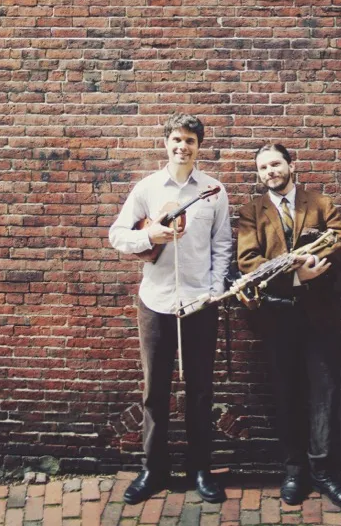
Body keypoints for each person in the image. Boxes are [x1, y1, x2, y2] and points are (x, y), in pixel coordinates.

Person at [109, 113, 232, 505]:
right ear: (166, 142)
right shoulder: (146, 188)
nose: (182, 147)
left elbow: (223, 245)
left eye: (190, 141)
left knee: (199, 390)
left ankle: (200, 469)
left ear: (199, 146)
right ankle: (154, 469)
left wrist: (213, 291)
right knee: (154, 391)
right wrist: (150, 234)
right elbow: (117, 235)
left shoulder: (214, 190)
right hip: (156, 302)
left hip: (199, 302)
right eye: (176, 139)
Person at [236, 143, 341, 509]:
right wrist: (295, 275)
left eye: (275, 164)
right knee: (287, 395)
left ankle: (324, 471)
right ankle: (294, 472)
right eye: (263, 168)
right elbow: (248, 262)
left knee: (325, 394)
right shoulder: (250, 212)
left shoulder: (320, 204)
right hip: (276, 319)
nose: (270, 172)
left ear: (291, 165)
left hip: (319, 318)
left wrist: (317, 254)